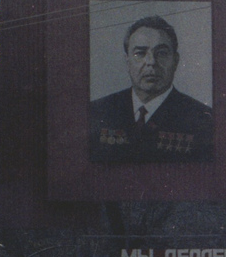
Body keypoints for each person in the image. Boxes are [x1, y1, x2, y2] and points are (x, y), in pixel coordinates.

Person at [90, 15, 214, 163]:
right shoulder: (97, 111)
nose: (151, 62)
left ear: (175, 61)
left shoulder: (203, 119)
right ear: (127, 61)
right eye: (140, 53)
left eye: (161, 53)